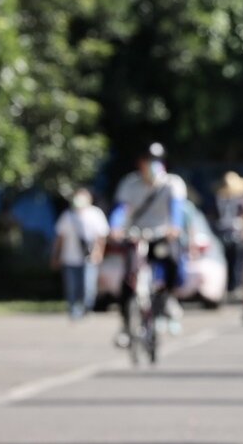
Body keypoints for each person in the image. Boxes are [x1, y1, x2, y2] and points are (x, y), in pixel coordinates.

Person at [109, 143, 188, 344]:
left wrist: (175, 227)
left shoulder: (172, 184)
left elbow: (177, 209)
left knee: (171, 261)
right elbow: (121, 210)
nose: (152, 165)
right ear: (140, 163)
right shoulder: (130, 183)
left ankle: (169, 298)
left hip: (161, 235)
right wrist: (116, 228)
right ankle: (126, 325)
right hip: (135, 235)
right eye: (148, 161)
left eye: (156, 161)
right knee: (129, 278)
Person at [50, 188, 108, 319]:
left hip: (89, 257)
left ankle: (85, 308)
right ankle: (74, 310)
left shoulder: (96, 214)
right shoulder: (67, 215)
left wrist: (99, 252)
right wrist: (55, 256)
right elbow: (60, 238)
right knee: (72, 288)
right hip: (69, 258)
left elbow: (101, 237)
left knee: (89, 288)